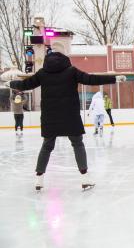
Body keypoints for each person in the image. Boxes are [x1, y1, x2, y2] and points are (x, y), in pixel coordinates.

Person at [4, 52, 126, 191]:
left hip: (50, 116)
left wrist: (11, 84)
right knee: (77, 144)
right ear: (65, 60)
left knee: (47, 146)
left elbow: (25, 84)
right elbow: (91, 79)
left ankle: (39, 180)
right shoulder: (71, 71)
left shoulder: (43, 73)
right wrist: (114, 79)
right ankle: (85, 179)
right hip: (70, 115)